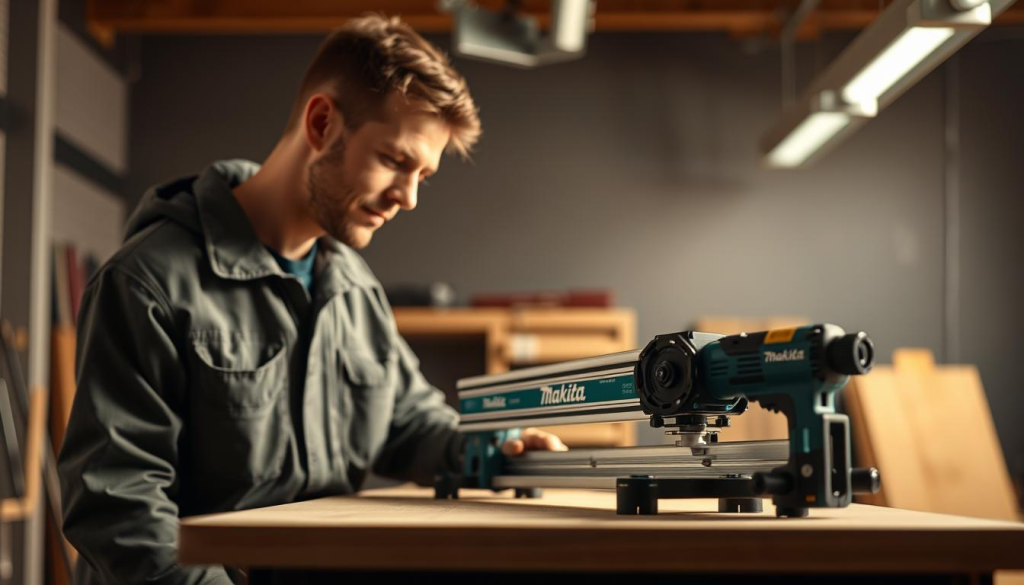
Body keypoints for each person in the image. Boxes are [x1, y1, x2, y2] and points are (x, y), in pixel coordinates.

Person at [58, 14, 566, 584]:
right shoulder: (147, 282)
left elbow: (409, 423)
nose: (409, 197)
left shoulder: (353, 288)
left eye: (424, 175)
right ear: (322, 123)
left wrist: (498, 450)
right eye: (396, 161)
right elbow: (120, 506)